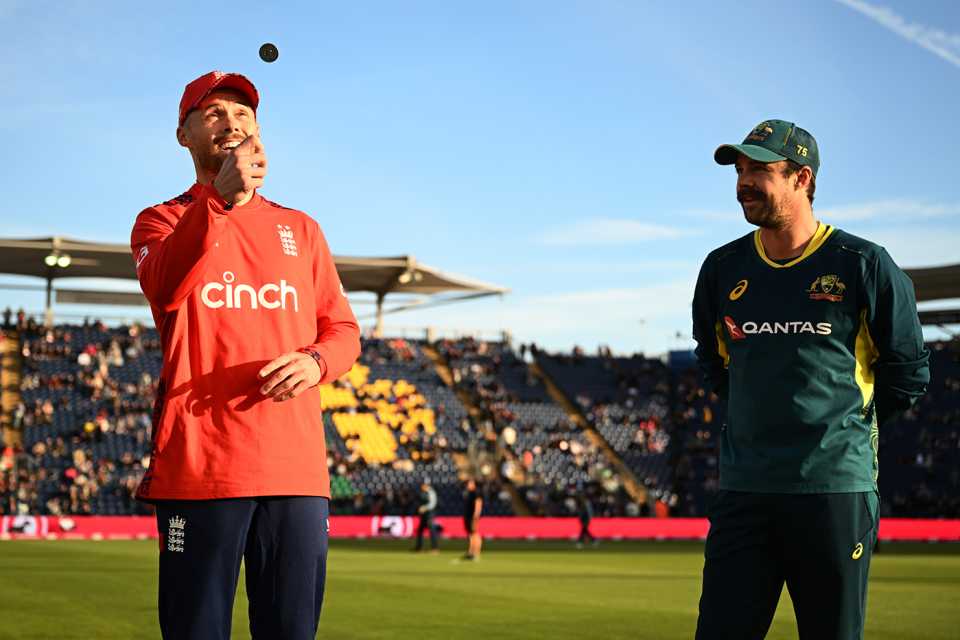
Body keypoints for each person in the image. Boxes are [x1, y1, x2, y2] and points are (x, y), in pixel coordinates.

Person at [130, 70, 360, 640]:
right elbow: (165, 285)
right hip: (201, 468)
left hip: (296, 469)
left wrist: (315, 362)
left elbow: (344, 331)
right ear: (183, 135)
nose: (231, 122)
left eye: (242, 113)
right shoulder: (161, 220)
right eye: (213, 113)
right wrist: (218, 201)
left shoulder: (300, 229)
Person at [692, 119, 930, 639]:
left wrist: (838, 427)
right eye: (739, 170)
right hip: (745, 491)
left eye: (759, 169)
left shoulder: (864, 264)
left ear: (802, 178)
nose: (743, 182)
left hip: (833, 493)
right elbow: (713, 362)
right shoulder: (722, 268)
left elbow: (908, 374)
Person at [413, 479, 439, 553]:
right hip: (424, 515)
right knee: (420, 531)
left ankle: (435, 548)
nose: (421, 486)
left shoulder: (431, 492)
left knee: (432, 531)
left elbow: (433, 504)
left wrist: (425, 507)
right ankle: (419, 547)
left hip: (430, 514)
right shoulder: (422, 492)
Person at [462, 478, 483, 560]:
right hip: (467, 516)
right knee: (470, 534)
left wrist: (476, 515)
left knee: (475, 533)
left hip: (473, 517)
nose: (468, 485)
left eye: (470, 483)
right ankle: (470, 552)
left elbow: (478, 504)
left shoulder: (476, 493)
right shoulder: (468, 493)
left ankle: (476, 552)